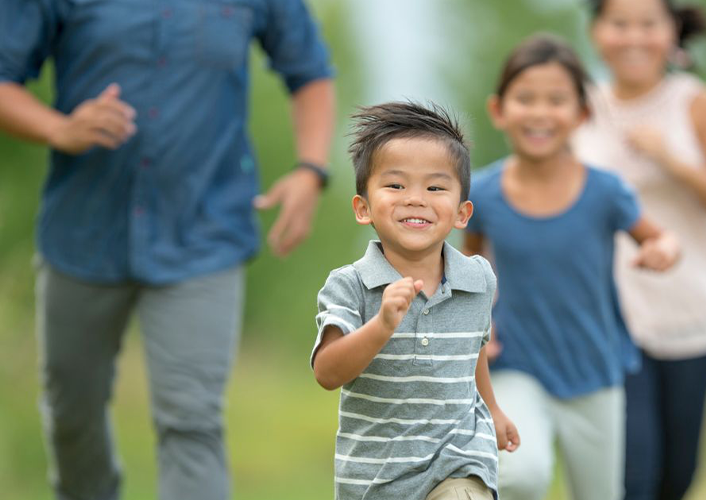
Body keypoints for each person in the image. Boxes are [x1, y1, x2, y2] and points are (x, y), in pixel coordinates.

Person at [0, 1, 336, 499]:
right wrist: (58, 128)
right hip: (82, 230)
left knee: (192, 419)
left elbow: (309, 71)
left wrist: (310, 170)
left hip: (205, 232)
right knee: (72, 410)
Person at [462, 34, 680, 500]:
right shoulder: (482, 194)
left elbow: (661, 236)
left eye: (557, 100)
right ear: (499, 110)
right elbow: (471, 274)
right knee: (522, 477)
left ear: (582, 114)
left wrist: (663, 250)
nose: (540, 113)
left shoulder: (605, 192)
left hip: (595, 374)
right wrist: (479, 326)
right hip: (517, 367)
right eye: (525, 99)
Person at [574, 1, 706, 499]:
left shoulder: (698, 103)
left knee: (676, 478)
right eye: (619, 24)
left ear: (672, 32)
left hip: (688, 312)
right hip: (607, 318)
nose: (633, 37)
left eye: (648, 24)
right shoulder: (576, 107)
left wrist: (673, 161)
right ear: (596, 32)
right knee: (632, 478)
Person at [310, 101, 519, 500]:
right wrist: (382, 325)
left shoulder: (478, 278)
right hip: (375, 478)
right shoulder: (349, 285)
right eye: (396, 185)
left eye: (435, 187)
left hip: (459, 458)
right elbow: (327, 373)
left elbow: (469, 351)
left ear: (461, 213)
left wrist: (492, 409)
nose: (416, 199)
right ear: (363, 208)